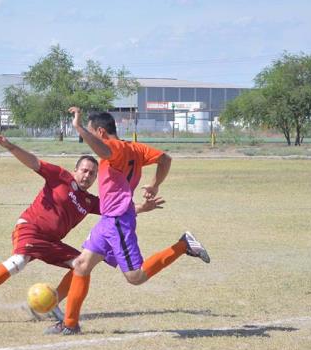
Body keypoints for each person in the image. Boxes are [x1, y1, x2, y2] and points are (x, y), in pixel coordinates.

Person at [45, 107, 211, 335]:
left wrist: (78, 127)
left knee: (135, 277)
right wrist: (155, 184)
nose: (89, 140)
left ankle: (184, 245)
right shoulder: (136, 148)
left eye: (92, 135)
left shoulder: (114, 147)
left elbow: (104, 150)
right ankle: (70, 323)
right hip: (108, 219)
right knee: (82, 265)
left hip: (118, 222)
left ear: (101, 132)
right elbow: (165, 159)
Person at [0, 135, 164, 319]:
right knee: (18, 261)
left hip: (52, 242)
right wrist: (10, 146)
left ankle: (52, 304)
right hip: (31, 230)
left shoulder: (89, 201)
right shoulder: (59, 176)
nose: (87, 176)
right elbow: (33, 162)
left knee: (80, 265)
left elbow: (116, 211)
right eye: (84, 171)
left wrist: (143, 208)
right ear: (75, 170)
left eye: (92, 174)